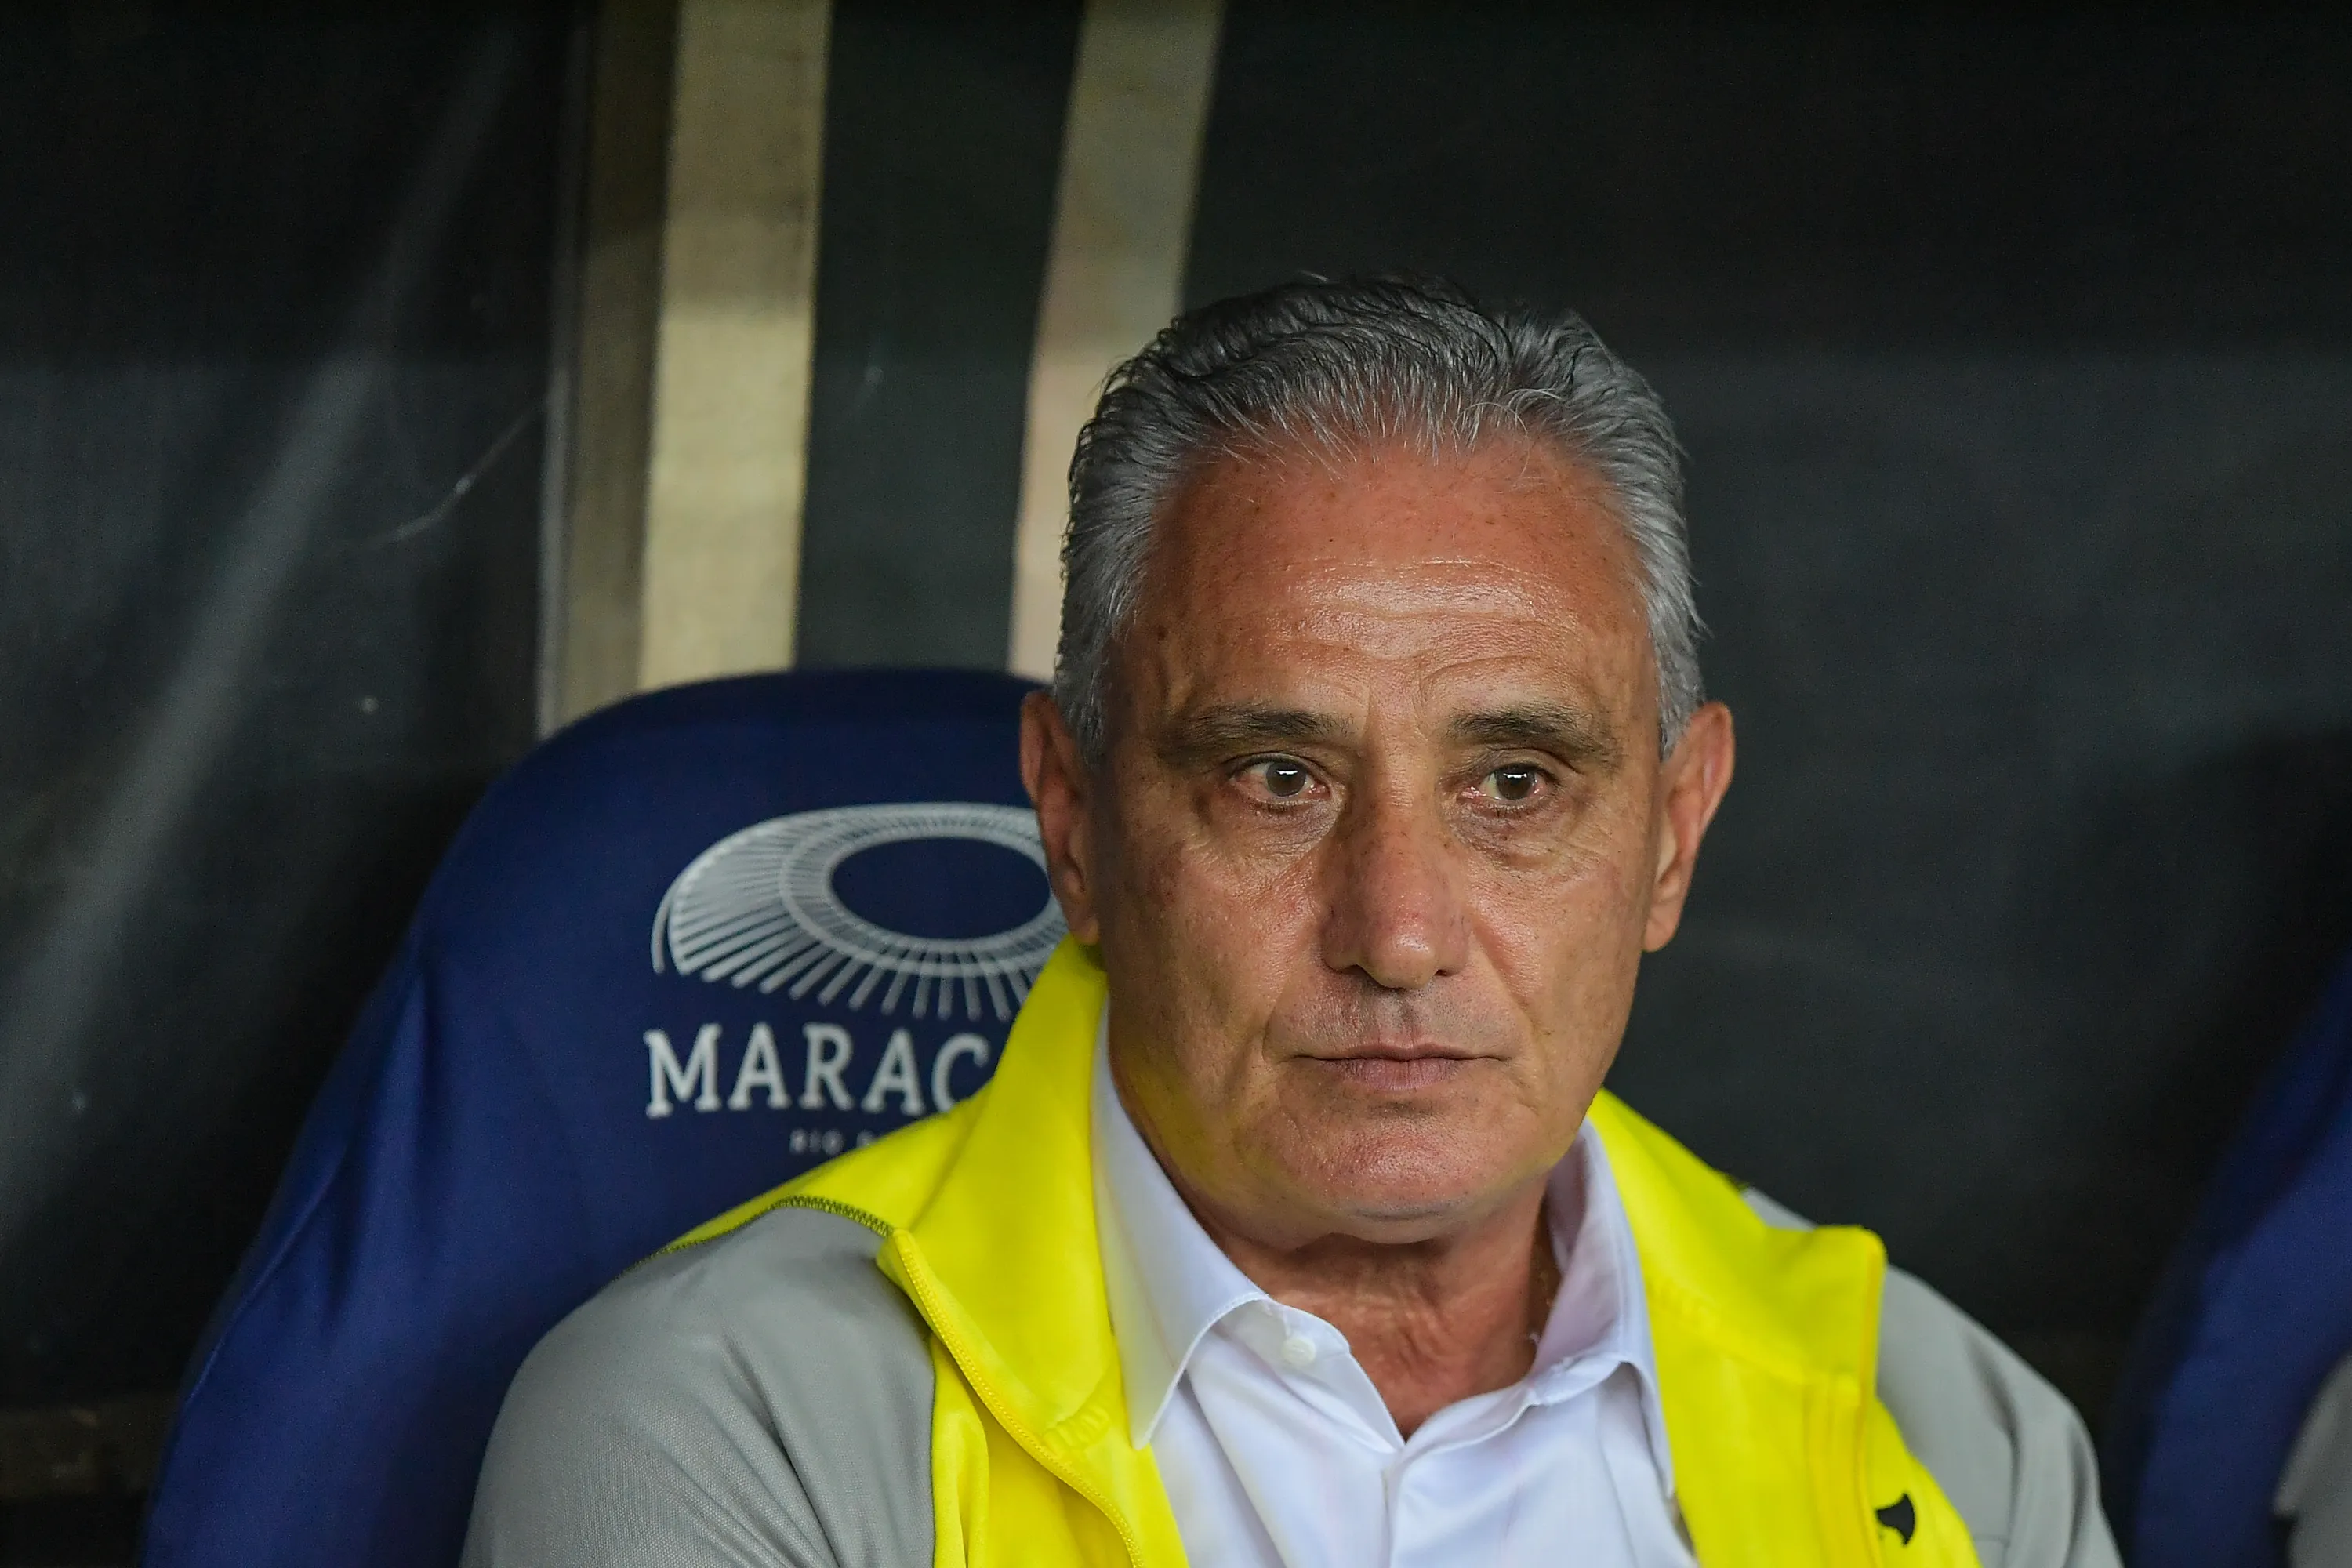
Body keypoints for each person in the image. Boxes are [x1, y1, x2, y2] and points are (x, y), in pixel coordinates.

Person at [463, 277, 2119, 1566]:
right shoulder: (722, 1425)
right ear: (1077, 823)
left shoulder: (1948, 1441)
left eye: (1518, 785)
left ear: (1673, 834)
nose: (1396, 931)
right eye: (1275, 776)